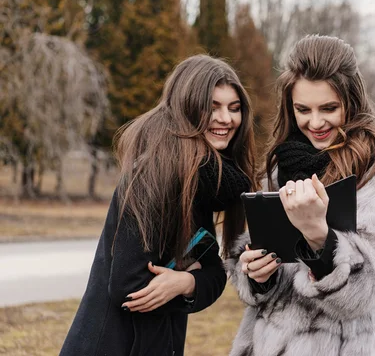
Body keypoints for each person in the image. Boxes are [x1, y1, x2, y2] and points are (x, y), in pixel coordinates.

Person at [226, 35, 375, 356]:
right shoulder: (281, 164)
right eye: (303, 109)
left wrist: (317, 233)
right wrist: (255, 273)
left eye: (329, 108)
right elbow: (254, 271)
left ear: (352, 101)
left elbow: (363, 294)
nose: (315, 122)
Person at [60, 55, 256, 356]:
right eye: (213, 107)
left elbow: (215, 274)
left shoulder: (201, 182)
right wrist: (185, 279)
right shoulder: (153, 175)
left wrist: (185, 282)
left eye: (234, 108)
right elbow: (128, 285)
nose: (226, 119)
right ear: (187, 107)